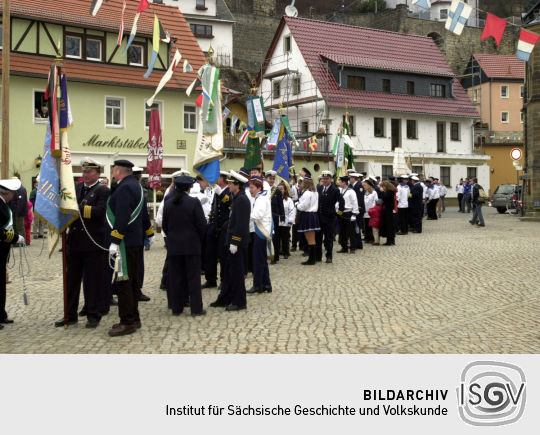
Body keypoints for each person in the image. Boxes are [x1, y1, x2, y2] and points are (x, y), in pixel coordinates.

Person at [54, 158, 111, 328]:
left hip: (93, 243)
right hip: (75, 243)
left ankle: (93, 314)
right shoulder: (76, 188)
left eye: (89, 172)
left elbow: (100, 212)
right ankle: (70, 314)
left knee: (92, 281)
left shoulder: (103, 191)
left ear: (97, 174)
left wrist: (76, 209)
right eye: (84, 172)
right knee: (71, 281)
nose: (85, 175)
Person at [107, 160, 154, 337]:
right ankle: (134, 317)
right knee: (132, 282)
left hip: (124, 243)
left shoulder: (125, 188)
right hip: (134, 241)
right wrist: (149, 232)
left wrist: (114, 240)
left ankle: (127, 321)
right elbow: (143, 214)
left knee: (124, 281)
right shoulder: (135, 185)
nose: (112, 171)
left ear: (118, 171)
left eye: (113, 169)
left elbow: (123, 215)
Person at [163, 176, 207, 316]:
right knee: (193, 278)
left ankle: (177, 308)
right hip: (191, 246)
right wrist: (198, 239)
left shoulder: (168, 202)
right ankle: (196, 308)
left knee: (176, 278)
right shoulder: (194, 202)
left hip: (174, 246)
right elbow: (201, 225)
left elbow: (165, 225)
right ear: (189, 188)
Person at [210, 171, 250, 311]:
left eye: (231, 183)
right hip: (230, 241)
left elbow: (241, 223)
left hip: (236, 243)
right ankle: (225, 298)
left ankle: (239, 301)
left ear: (237, 185)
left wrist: (235, 241)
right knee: (227, 271)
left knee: (236, 273)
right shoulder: (236, 197)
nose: (229, 185)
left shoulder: (242, 200)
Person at [0, 178, 26, 329]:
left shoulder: (4, 204)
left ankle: (1, 314)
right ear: (8, 193)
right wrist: (16, 237)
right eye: (13, 194)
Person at [203, 171, 231, 289]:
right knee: (210, 254)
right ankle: (211, 279)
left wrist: (221, 194)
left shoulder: (228, 191)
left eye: (217, 177)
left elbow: (230, 203)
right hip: (214, 226)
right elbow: (214, 207)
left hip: (223, 227)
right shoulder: (216, 191)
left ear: (221, 179)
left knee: (223, 256)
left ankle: (224, 280)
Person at [247, 176, 273, 294]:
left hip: (261, 232)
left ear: (258, 188)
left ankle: (258, 285)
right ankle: (266, 284)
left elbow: (257, 215)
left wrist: (244, 215)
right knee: (262, 259)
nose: (250, 190)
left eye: (252, 187)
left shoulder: (261, 199)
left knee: (258, 260)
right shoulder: (260, 198)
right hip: (262, 231)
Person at [316, 170, 344, 263]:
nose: (324, 180)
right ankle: (318, 256)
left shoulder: (335, 189)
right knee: (318, 238)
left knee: (328, 238)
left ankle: (329, 256)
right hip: (319, 217)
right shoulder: (319, 188)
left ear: (331, 179)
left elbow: (342, 202)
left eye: (327, 179)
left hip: (329, 218)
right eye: (323, 179)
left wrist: (339, 213)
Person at [296, 174, 320, 265]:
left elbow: (303, 206)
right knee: (311, 238)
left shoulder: (307, 193)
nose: (300, 184)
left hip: (307, 215)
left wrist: (297, 205)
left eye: (302, 183)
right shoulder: (315, 192)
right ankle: (312, 258)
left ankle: (311, 259)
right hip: (313, 215)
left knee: (310, 239)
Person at [265, 170, 285, 265]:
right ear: (266, 179)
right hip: (265, 217)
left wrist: (282, 215)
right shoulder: (263, 190)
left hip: (274, 216)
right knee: (265, 236)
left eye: (273, 179)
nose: (272, 180)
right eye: (270, 178)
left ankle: (275, 256)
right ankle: (266, 255)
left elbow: (280, 204)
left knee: (275, 238)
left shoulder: (277, 191)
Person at [337, 175, 358, 254]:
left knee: (351, 231)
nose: (339, 183)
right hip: (341, 212)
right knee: (342, 231)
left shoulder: (351, 191)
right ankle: (344, 247)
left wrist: (354, 214)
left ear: (344, 183)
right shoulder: (340, 190)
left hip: (349, 212)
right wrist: (338, 213)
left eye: (340, 182)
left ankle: (352, 247)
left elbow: (354, 203)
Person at [277, 183, 295, 259]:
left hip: (285, 222)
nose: (280, 191)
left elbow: (292, 211)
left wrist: (290, 221)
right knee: (277, 238)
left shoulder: (288, 200)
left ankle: (286, 252)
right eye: (278, 189)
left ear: (285, 190)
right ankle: (277, 252)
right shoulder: (275, 199)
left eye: (281, 189)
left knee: (285, 238)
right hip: (277, 222)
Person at [8, 175, 28, 241]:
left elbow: (21, 203)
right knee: (15, 227)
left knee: (20, 227)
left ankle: (22, 241)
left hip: (19, 213)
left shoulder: (21, 189)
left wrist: (17, 213)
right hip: (14, 212)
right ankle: (17, 241)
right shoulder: (14, 189)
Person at [349, 172, 365, 250]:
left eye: (350, 178)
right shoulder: (352, 185)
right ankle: (356, 242)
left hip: (359, 209)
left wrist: (358, 207)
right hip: (354, 209)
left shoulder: (359, 185)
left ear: (353, 178)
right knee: (354, 227)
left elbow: (360, 198)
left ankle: (358, 244)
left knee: (357, 226)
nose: (349, 179)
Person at [379, 180, 396, 246]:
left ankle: (390, 240)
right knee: (388, 226)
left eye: (383, 186)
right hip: (387, 211)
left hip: (388, 211)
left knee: (389, 226)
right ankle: (390, 240)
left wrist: (382, 192)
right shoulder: (389, 192)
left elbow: (384, 198)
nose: (382, 188)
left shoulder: (389, 192)